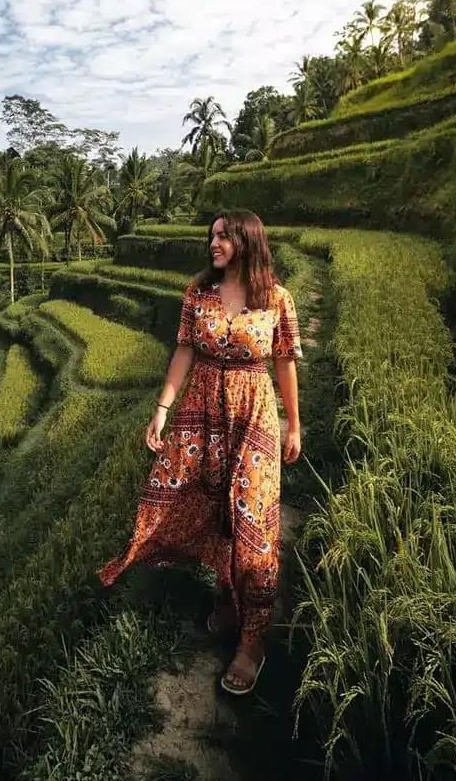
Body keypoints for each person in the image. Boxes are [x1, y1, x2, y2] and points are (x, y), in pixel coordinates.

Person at [96, 209, 302, 695]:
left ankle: (253, 640)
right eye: (212, 236)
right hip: (201, 412)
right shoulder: (198, 292)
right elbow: (185, 350)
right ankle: (227, 598)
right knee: (209, 507)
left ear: (247, 240)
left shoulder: (276, 298)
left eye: (224, 236)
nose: (214, 243)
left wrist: (294, 423)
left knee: (253, 520)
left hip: (253, 415)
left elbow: (284, 362)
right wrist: (162, 408)